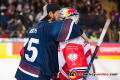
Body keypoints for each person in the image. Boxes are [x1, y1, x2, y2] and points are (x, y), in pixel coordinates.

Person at [15, 3, 89, 80]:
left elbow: (22, 52)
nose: (61, 17)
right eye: (58, 14)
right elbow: (69, 26)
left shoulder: (33, 29)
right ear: (50, 14)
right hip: (39, 76)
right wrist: (80, 31)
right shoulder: (50, 26)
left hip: (23, 73)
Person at [57, 8, 98, 80]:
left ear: (69, 21)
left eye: (60, 20)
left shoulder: (72, 42)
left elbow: (77, 74)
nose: (56, 23)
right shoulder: (67, 38)